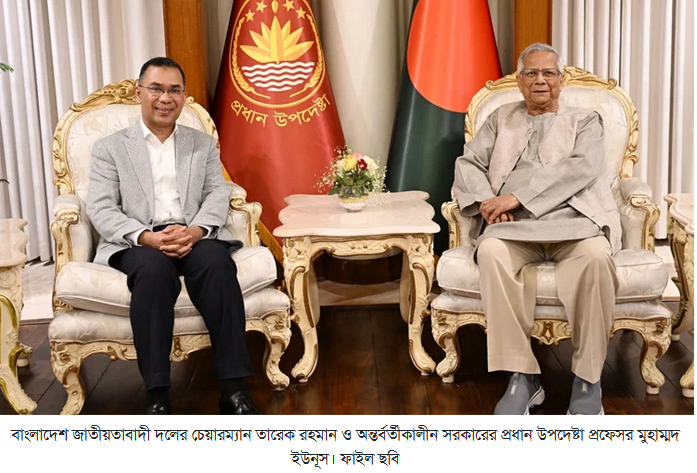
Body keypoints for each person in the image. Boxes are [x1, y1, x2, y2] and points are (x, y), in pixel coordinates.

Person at [452, 43, 621, 415]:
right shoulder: (499, 118)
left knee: (596, 257)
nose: (540, 80)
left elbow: (582, 167)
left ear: (561, 80)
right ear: (519, 80)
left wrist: (515, 197)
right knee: (491, 252)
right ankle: (522, 376)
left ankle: (588, 378)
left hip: (574, 221)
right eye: (531, 73)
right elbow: (469, 164)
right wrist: (488, 203)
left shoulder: (586, 120)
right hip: (514, 227)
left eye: (548, 73)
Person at [87, 57, 258, 415]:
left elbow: (217, 193)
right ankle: (157, 396)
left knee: (217, 265)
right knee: (152, 272)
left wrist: (195, 232)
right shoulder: (110, 148)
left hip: (193, 232)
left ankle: (233, 390)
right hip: (137, 240)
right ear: (139, 93)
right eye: (156, 89)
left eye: (174, 90)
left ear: (183, 97)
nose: (165, 98)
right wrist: (145, 237)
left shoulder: (202, 144)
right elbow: (101, 208)